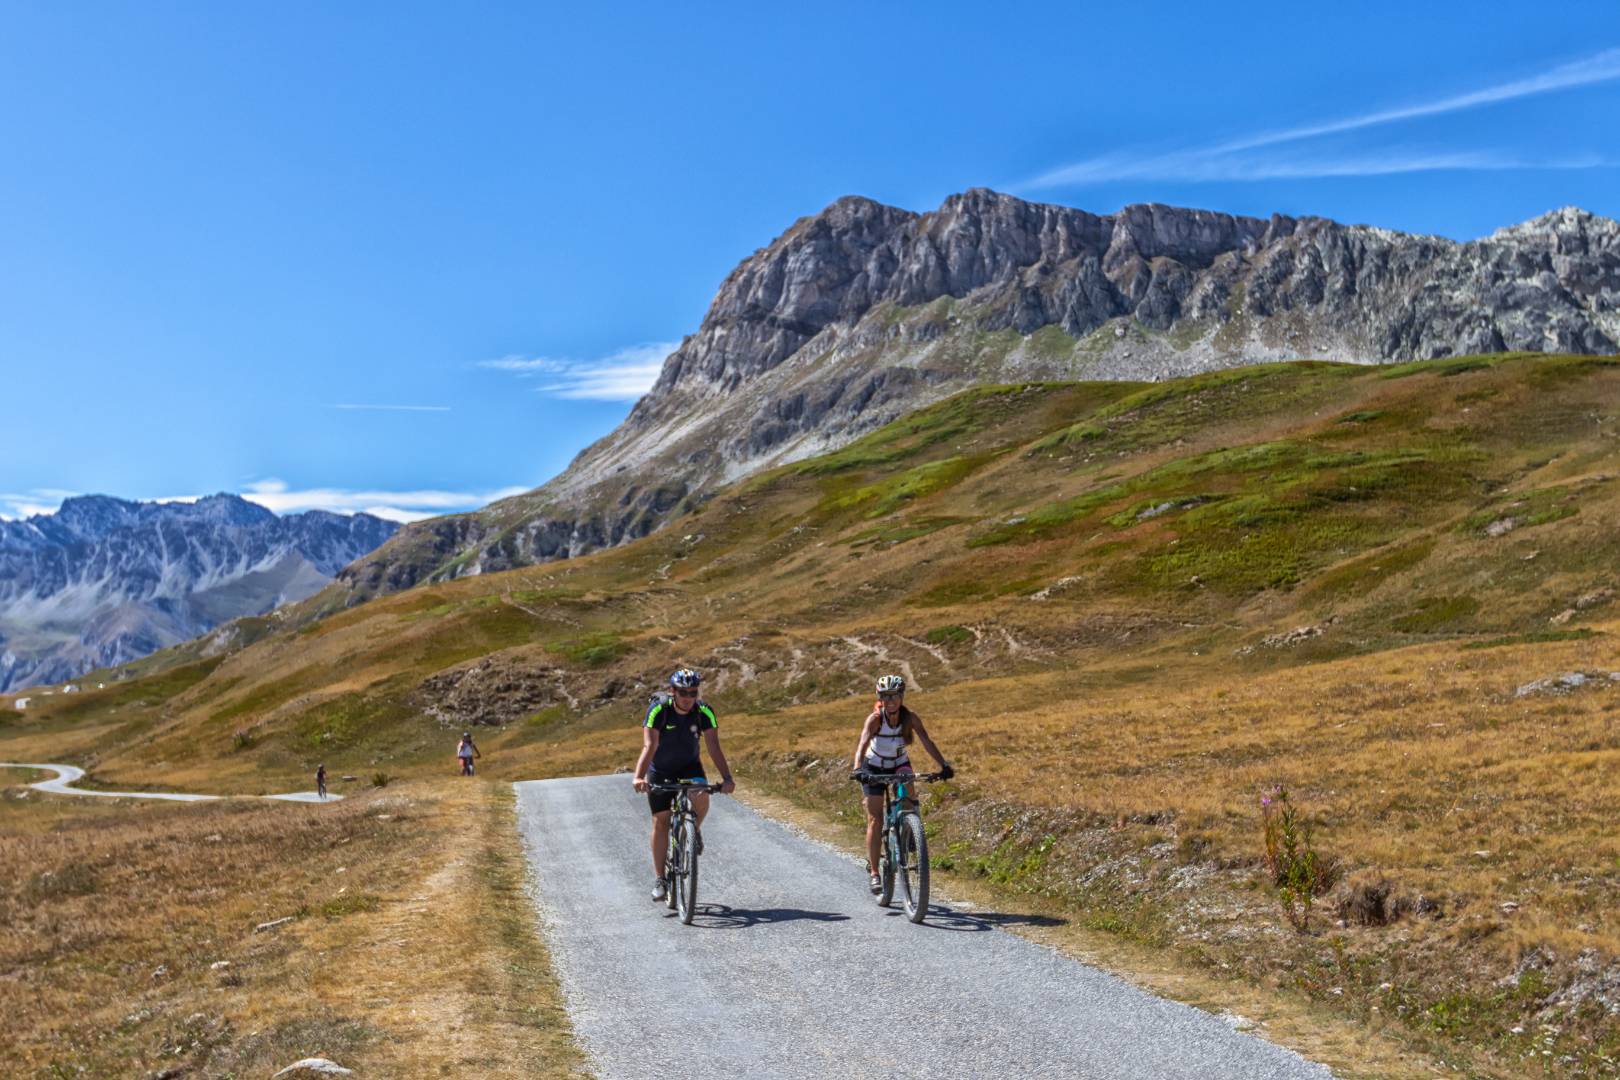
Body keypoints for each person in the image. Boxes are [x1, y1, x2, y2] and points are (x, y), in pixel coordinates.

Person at [632, 668, 736, 902]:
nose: (688, 697)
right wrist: (639, 777)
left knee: (701, 796)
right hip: (661, 770)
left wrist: (727, 778)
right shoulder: (658, 710)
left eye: (693, 692)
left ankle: (693, 830)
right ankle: (660, 879)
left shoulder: (704, 711)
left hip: (690, 768)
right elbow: (649, 746)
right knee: (661, 820)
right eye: (683, 692)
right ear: (672, 691)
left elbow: (713, 747)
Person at [851, 674, 952, 894]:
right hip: (874, 767)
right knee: (875, 818)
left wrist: (943, 765)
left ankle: (911, 830)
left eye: (895, 696)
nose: (891, 701)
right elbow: (862, 744)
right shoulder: (875, 719)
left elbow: (927, 741)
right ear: (880, 698)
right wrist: (858, 769)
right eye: (886, 697)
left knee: (908, 793)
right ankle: (875, 872)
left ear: (901, 696)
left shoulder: (910, 718)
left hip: (899, 764)